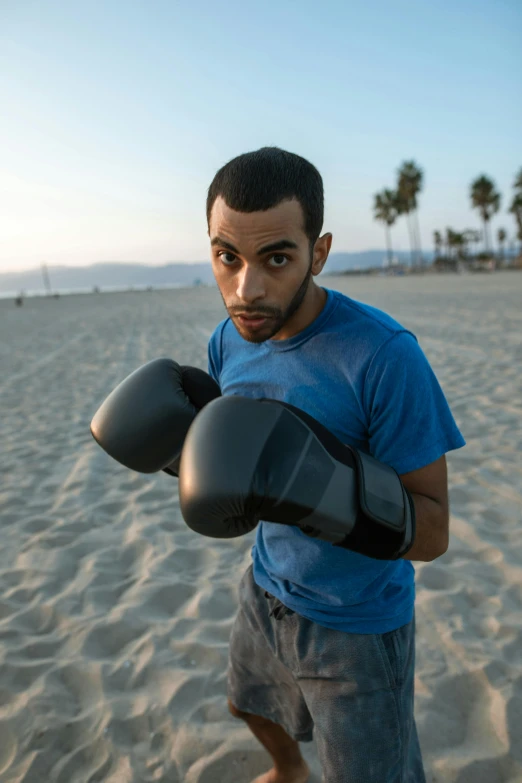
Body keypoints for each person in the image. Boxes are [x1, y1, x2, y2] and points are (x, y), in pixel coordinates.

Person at [203, 147, 466, 783]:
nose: (248, 288)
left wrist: (325, 495)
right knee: (249, 704)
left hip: (358, 629)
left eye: (277, 258)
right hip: (266, 589)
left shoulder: (383, 357)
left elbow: (433, 533)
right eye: (226, 257)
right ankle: (289, 770)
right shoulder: (228, 340)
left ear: (318, 254)